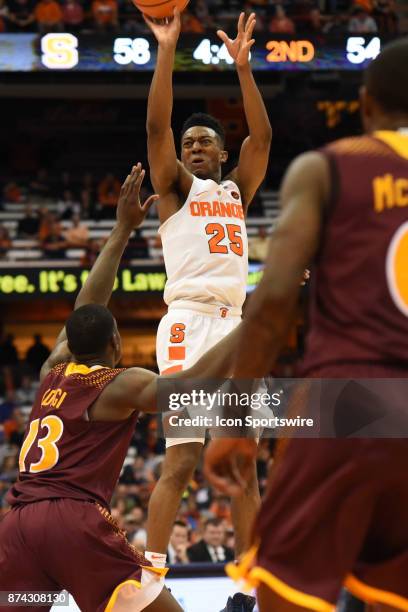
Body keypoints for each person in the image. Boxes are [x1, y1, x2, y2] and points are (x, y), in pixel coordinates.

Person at [204, 39, 408, 611]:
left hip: (352, 403)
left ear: (366, 106)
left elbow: (271, 303)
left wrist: (238, 418)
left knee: (288, 594)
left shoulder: (330, 167)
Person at [0, 165, 243, 612]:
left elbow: (87, 305)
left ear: (71, 343)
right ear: (116, 343)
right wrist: (254, 324)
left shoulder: (52, 371)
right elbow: (193, 386)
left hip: (17, 526)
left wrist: (122, 229)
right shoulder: (119, 383)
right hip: (72, 522)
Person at [144, 10, 272, 593]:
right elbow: (156, 129)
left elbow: (262, 138)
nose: (194, 147)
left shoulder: (236, 189)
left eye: (205, 142)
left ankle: (247, 589)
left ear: (221, 154)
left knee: (244, 461)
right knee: (182, 460)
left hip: (236, 327)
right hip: (189, 323)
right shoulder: (175, 188)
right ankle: (150, 577)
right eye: (189, 142)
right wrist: (167, 49)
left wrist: (244, 70)